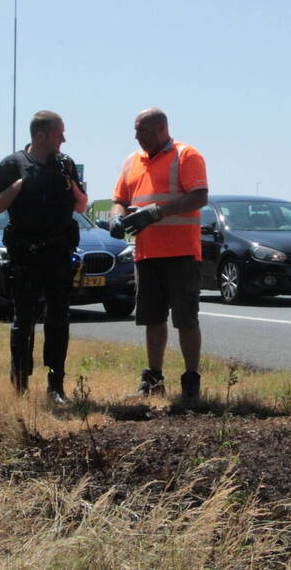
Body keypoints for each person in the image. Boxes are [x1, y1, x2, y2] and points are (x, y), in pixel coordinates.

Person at [0, 110, 88, 406]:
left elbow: (81, 207)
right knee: (24, 320)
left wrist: (72, 184)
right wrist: (18, 187)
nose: (64, 139)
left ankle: (56, 385)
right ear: (41, 135)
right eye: (59, 133)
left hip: (58, 252)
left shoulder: (65, 164)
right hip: (25, 254)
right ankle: (20, 383)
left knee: (59, 320)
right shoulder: (11, 164)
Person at [110, 107, 208, 400]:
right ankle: (153, 379)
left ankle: (191, 381)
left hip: (181, 254)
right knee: (152, 319)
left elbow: (199, 196)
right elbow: (120, 199)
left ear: (161, 129)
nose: (137, 136)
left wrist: (156, 212)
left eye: (142, 130)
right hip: (147, 254)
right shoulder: (132, 162)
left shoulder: (186, 155)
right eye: (136, 130)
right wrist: (117, 217)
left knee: (185, 319)